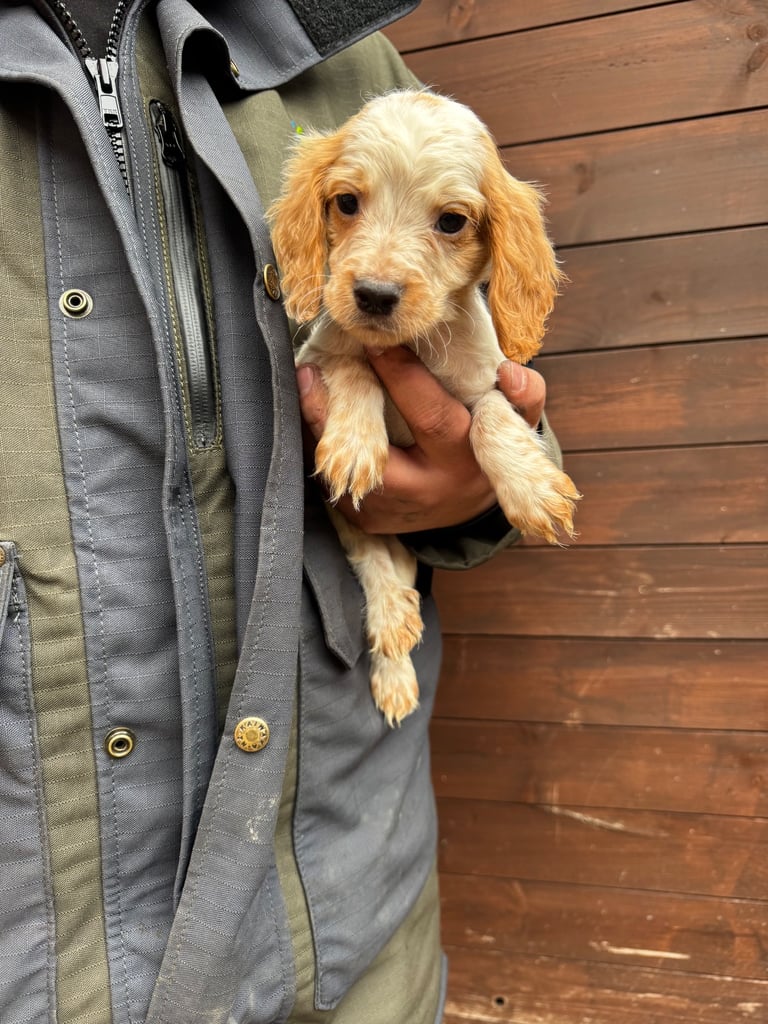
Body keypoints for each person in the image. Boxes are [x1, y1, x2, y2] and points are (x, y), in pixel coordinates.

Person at [0, 2, 561, 1022]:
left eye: (446, 222)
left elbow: (504, 372)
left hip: (344, 908)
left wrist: (482, 475)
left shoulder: (337, 41)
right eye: (348, 206)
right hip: (38, 930)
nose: (385, 255)